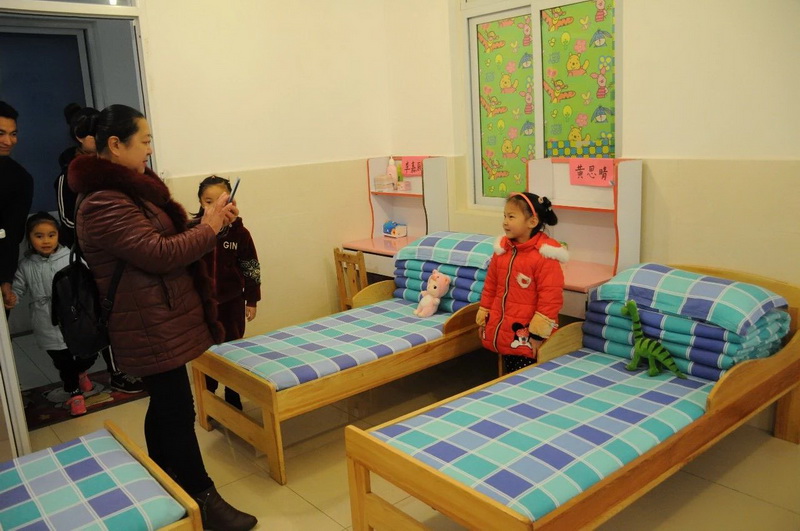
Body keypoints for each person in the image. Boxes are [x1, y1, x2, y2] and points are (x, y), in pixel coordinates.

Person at [68, 104, 257, 531]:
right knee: (177, 408)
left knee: (167, 405)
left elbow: (165, 238)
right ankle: (204, 500)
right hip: (146, 321)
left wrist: (210, 223)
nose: (151, 148)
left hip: (159, 315)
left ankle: (164, 480)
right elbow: (158, 253)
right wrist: (208, 228)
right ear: (116, 145)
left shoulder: (131, 190)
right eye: (146, 140)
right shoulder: (103, 201)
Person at [55, 103, 144, 394]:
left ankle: (131, 367)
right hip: (90, 256)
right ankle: (116, 372)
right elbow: (68, 219)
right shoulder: (68, 175)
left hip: (121, 254)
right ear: (80, 137)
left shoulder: (116, 171)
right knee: (103, 313)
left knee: (127, 311)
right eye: (92, 134)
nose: (98, 138)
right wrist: (101, 231)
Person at [9, 212, 96, 416]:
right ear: (29, 238)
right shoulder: (26, 265)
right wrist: (12, 297)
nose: (46, 241)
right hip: (46, 320)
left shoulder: (70, 258)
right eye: (39, 236)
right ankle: (74, 394)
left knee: (89, 353)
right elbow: (18, 288)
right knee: (62, 362)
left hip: (74, 318)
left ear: (58, 235)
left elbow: (86, 281)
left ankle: (80, 372)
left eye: (51, 235)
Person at [476, 192, 568, 373]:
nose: (505, 222)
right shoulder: (502, 251)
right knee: (508, 373)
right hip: (504, 327)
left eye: (511, 217)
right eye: (504, 216)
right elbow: (490, 287)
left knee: (528, 375)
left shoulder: (545, 256)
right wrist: (484, 317)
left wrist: (537, 334)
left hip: (530, 334)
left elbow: (550, 299)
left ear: (532, 222)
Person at [195, 176, 261, 410]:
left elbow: (251, 267)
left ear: (232, 202)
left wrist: (252, 299)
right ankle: (209, 398)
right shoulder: (193, 232)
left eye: (220, 202)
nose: (214, 208)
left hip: (232, 303)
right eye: (208, 202)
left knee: (233, 350)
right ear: (200, 202)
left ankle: (233, 395)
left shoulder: (240, 234)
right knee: (207, 353)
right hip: (201, 306)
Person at [0, 101, 34, 314]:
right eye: (1, 133)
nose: (8, 141)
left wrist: (6, 279)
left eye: (13, 134)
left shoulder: (20, 179)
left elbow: (11, 235)